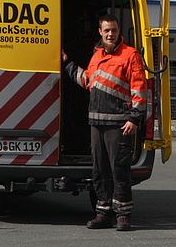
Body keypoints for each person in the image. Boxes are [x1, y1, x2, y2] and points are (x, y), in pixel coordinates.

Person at [63, 14, 148, 231]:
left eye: (114, 30)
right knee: (99, 171)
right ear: (100, 32)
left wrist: (135, 119)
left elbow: (139, 89)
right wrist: (68, 64)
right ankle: (103, 213)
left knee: (119, 170)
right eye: (107, 30)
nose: (111, 34)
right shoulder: (97, 55)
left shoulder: (131, 55)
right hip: (97, 123)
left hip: (120, 124)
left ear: (119, 32)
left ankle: (123, 215)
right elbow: (87, 81)